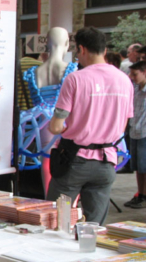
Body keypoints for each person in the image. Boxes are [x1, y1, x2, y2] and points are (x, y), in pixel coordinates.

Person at [47, 27, 134, 224]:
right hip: (107, 162)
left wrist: (66, 128)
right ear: (104, 50)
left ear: (82, 49)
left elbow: (55, 126)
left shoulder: (76, 79)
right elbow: (123, 125)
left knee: (56, 221)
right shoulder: (124, 80)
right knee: (95, 228)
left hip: (74, 160)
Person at [22, 27, 78, 197]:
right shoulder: (71, 70)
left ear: (47, 43)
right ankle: (69, 206)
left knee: (46, 163)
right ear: (67, 44)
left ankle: (49, 200)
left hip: (40, 123)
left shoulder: (34, 72)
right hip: (63, 122)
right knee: (69, 164)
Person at [125, 61, 146, 208]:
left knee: (145, 166)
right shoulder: (135, 89)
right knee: (138, 167)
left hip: (145, 132)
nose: (132, 77)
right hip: (134, 131)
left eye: (135, 74)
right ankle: (140, 193)